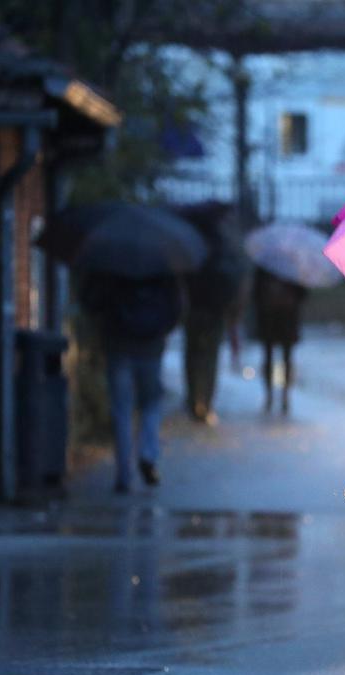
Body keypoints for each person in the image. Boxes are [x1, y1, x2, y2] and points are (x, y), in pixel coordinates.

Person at [83, 273, 183, 493]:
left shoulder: (114, 267)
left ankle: (123, 474)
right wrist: (160, 331)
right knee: (151, 404)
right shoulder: (161, 267)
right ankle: (148, 454)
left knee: (122, 410)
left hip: (118, 347)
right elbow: (176, 308)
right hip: (150, 348)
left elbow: (93, 302)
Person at [177, 203, 244, 424]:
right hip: (215, 309)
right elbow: (232, 277)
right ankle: (206, 402)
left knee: (192, 354)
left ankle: (192, 398)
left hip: (195, 308)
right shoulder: (222, 247)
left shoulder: (191, 245)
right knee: (210, 356)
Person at [252, 268, 308, 414]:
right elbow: (256, 292)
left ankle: (283, 395)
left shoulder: (292, 267)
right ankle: (271, 395)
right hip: (271, 316)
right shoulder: (266, 267)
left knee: (284, 358)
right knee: (272, 357)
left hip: (285, 317)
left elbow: (303, 293)